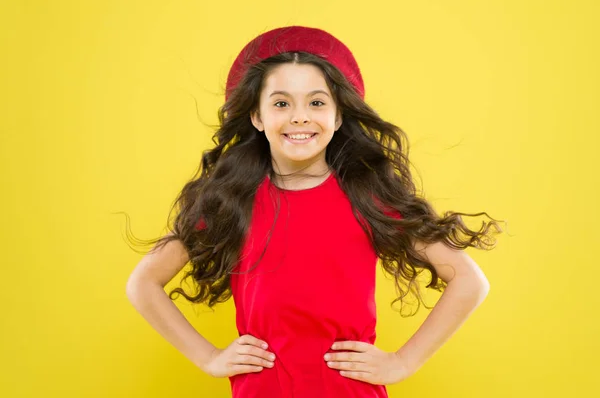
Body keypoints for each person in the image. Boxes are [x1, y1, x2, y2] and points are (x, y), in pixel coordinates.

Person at [125, 25, 504, 398]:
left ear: (338, 117)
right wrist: (209, 357)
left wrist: (403, 362)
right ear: (256, 117)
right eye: (281, 103)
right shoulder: (230, 201)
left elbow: (469, 281)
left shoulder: (368, 197)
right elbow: (143, 283)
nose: (300, 117)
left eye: (317, 102)